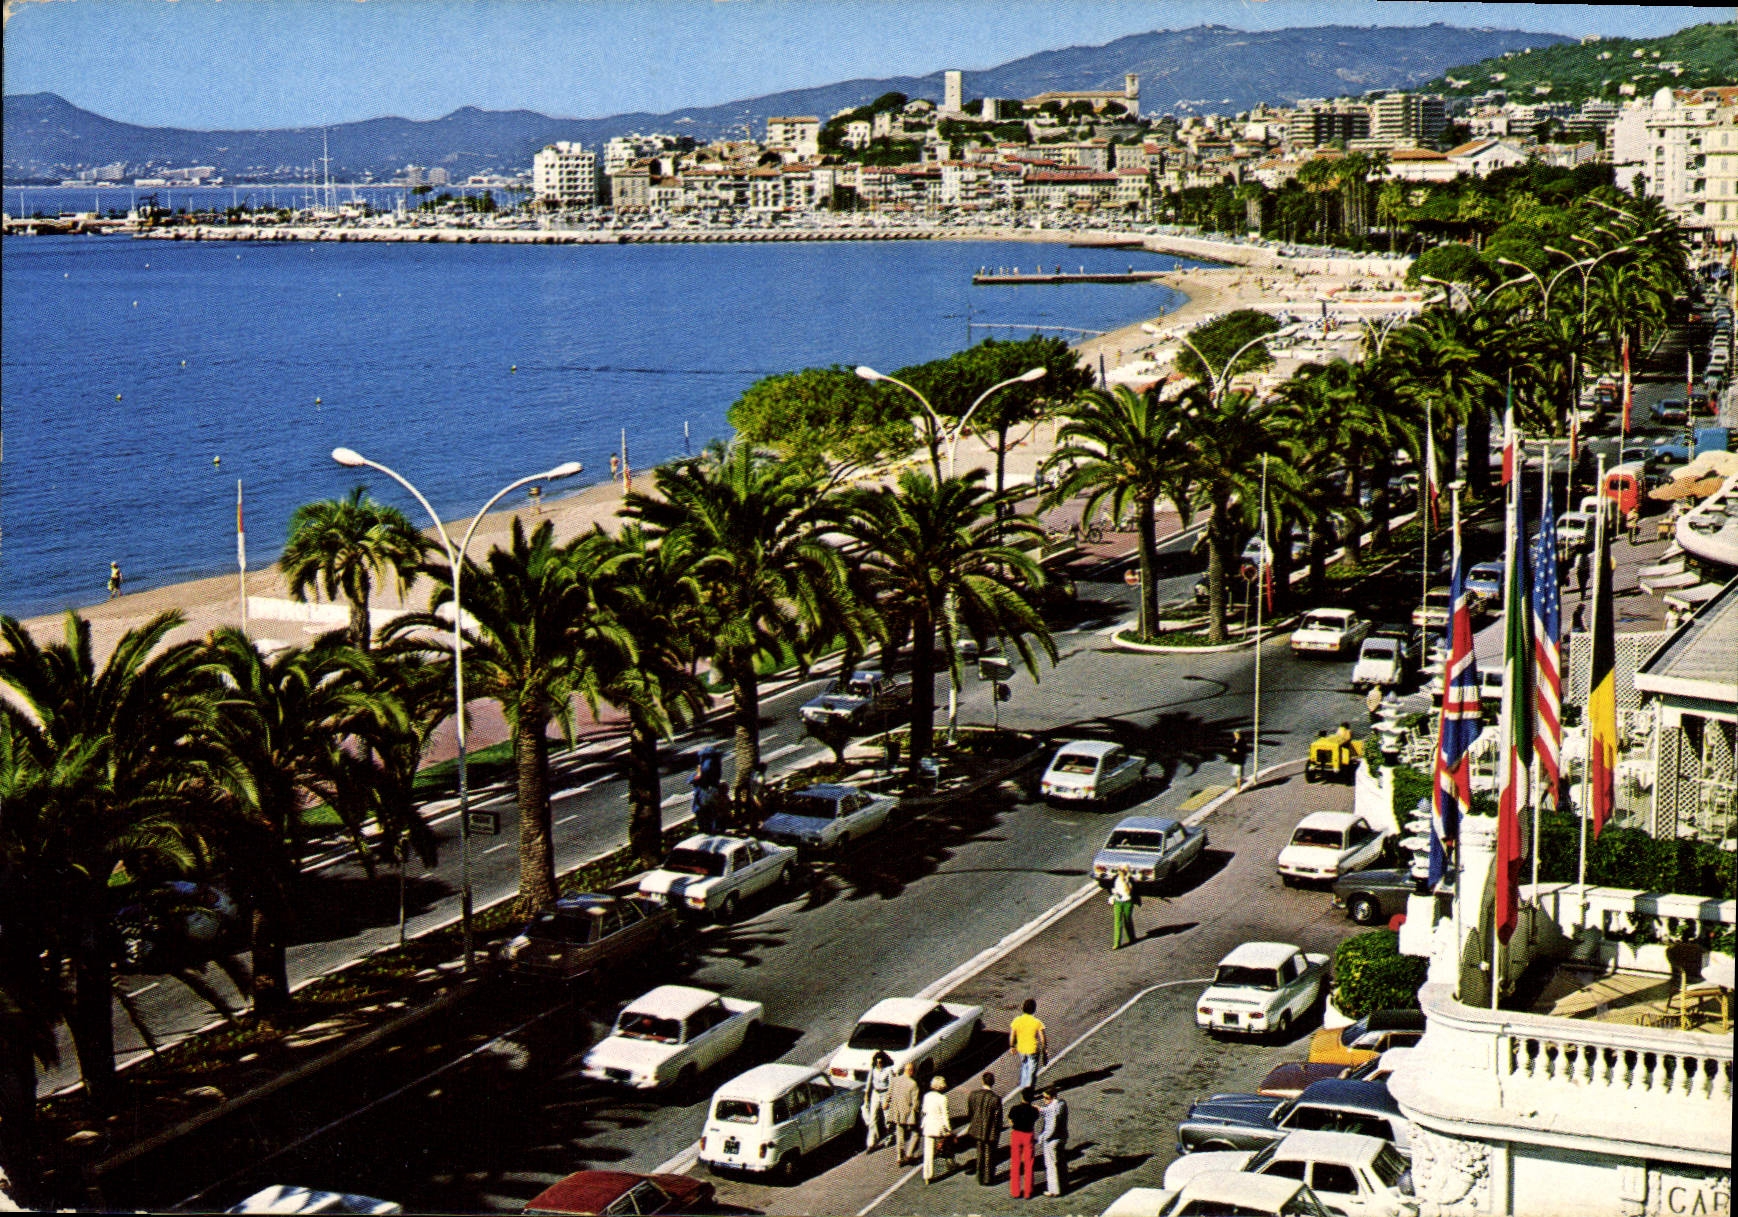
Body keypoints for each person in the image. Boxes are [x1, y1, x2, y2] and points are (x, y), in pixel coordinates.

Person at [967, 1072, 1003, 1186]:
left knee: (979, 1152)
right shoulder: (995, 1099)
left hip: (977, 1129)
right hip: (990, 1130)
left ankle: (979, 1175)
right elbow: (998, 1118)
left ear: (982, 1081)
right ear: (993, 1083)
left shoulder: (973, 1095)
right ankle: (988, 1178)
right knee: (989, 1154)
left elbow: (970, 1112)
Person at [920, 1075, 956, 1184]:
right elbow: (945, 1115)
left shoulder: (927, 1096)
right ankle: (951, 1164)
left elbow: (924, 1110)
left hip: (928, 1126)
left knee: (928, 1152)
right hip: (940, 1127)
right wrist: (949, 1129)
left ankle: (927, 1175)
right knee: (947, 1147)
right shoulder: (943, 1098)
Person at [1005, 1088, 1039, 1200]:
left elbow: (1010, 1121)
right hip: (1028, 1135)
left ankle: (1015, 1191)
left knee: (1015, 1163)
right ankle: (1028, 1192)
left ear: (1022, 1096)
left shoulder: (1015, 1109)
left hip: (1016, 1135)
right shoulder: (1034, 1110)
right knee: (1029, 1164)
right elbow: (1035, 1119)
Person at [1008, 998, 1047, 1093]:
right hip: (1033, 1050)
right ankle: (1028, 1090)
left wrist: (1012, 1046)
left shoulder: (1017, 1020)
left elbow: (1012, 1035)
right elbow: (1042, 1038)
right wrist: (1044, 1050)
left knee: (1025, 1067)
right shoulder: (1037, 1022)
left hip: (1021, 1049)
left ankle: (1023, 1087)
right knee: (1032, 1071)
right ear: (1034, 1009)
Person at [889, 1060, 922, 1166]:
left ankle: (899, 1157)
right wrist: (917, 1113)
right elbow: (915, 1102)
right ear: (911, 1071)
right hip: (909, 1113)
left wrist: (886, 1103)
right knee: (916, 1133)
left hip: (898, 1112)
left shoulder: (894, 1080)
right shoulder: (913, 1084)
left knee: (900, 1135)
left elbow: (889, 1094)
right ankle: (909, 1154)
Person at [1038, 1087, 1069, 1197]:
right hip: (1062, 1137)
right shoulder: (1062, 1104)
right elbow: (1050, 1110)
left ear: (1053, 1097)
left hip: (1052, 1140)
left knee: (1051, 1165)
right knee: (1061, 1162)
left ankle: (1054, 1190)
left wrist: (1043, 1137)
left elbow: (1051, 1126)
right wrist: (1041, 1110)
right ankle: (1064, 1185)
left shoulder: (1052, 1109)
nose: (1044, 1100)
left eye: (1046, 1098)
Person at [863, 1051, 896, 1152]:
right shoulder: (873, 1070)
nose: (879, 1064)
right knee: (873, 1118)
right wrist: (866, 1096)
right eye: (877, 1062)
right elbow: (868, 1084)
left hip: (885, 1093)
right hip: (875, 1094)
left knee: (887, 1118)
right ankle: (872, 1143)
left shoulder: (888, 1070)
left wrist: (887, 1100)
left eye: (881, 1062)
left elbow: (892, 1085)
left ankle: (891, 1136)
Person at [1109, 864, 1137, 950]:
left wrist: (1125, 880)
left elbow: (1128, 891)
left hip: (1127, 902)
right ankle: (1117, 943)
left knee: (1127, 920)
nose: (1120, 872)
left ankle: (1131, 938)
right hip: (1118, 902)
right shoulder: (1116, 879)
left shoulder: (1129, 880)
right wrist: (1113, 896)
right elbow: (1113, 889)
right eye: (1120, 870)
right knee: (1118, 922)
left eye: (1122, 871)